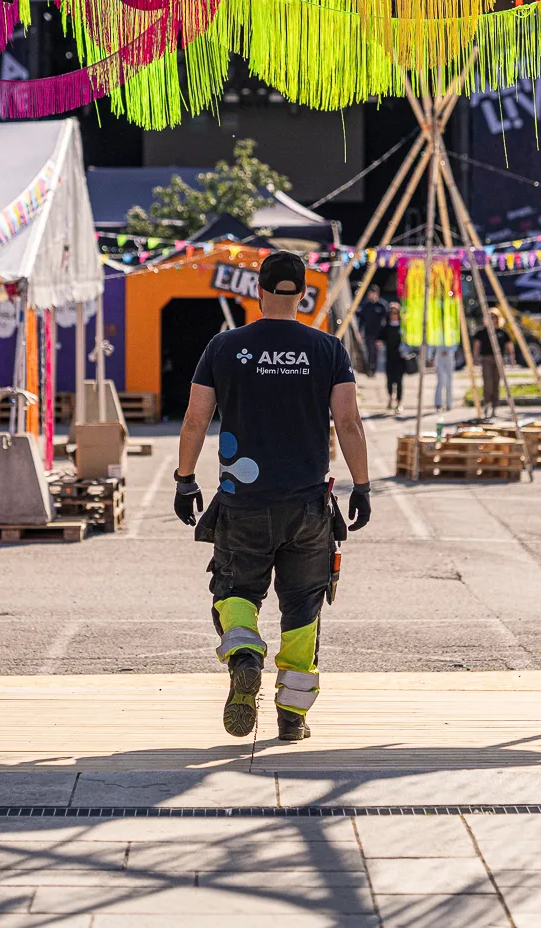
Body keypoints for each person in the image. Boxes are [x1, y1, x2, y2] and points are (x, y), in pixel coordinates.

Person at [174, 250, 372, 743]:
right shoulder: (327, 349)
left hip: (242, 503)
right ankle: (291, 717)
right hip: (308, 506)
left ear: (258, 291)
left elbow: (196, 419)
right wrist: (363, 486)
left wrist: (185, 479)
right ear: (303, 294)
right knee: (303, 608)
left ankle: (245, 656)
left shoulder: (224, 346)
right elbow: (348, 422)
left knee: (235, 592)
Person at [472, 311, 513, 419]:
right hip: (486, 359)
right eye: (490, 317)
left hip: (499, 359)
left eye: (494, 317)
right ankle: (486, 404)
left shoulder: (502, 332)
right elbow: (476, 345)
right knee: (488, 383)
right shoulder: (482, 332)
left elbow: (509, 345)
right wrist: (475, 358)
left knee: (496, 383)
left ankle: (494, 407)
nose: (492, 319)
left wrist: (511, 357)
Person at [357, 283, 388, 377]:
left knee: (375, 352)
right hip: (368, 332)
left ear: (377, 293)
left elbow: (385, 320)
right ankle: (369, 369)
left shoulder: (382, 305)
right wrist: (359, 331)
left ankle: (373, 370)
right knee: (368, 351)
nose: (371, 295)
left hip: (378, 333)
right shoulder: (366, 305)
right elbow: (361, 320)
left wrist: (383, 335)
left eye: (373, 293)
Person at [381, 301, 405, 413]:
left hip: (401, 358)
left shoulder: (403, 327)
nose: (393, 315)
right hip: (389, 358)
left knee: (399, 381)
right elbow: (380, 337)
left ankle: (399, 403)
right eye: (391, 313)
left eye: (395, 313)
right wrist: (379, 342)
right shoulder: (386, 326)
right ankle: (391, 398)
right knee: (390, 381)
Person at [432, 342, 456, 412]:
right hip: (439, 357)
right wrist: (429, 356)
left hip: (449, 358)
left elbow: (456, 344)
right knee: (440, 381)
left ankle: (449, 404)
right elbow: (432, 343)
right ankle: (438, 404)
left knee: (449, 382)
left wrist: (448, 350)